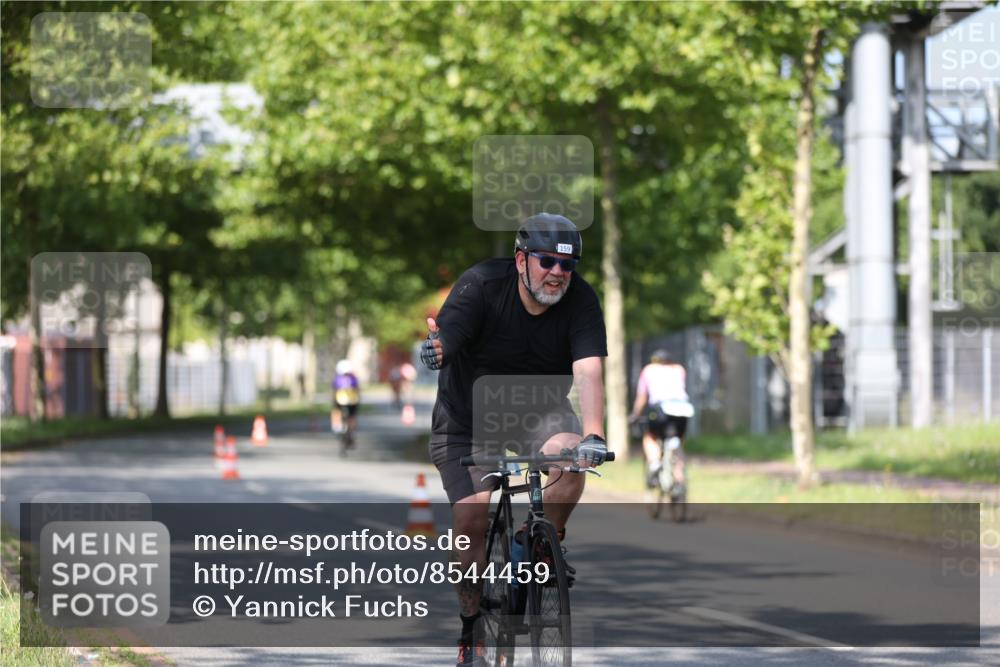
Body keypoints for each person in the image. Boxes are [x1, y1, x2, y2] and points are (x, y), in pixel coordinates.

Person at [420, 212, 609, 667]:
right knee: (472, 520)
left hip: (538, 413)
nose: (558, 273)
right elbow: (450, 335)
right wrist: (438, 348)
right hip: (468, 419)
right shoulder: (483, 284)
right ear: (522, 259)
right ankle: (471, 626)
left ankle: (541, 541)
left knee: (572, 459)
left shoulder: (581, 300)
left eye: (567, 265)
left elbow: (587, 368)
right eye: (547, 261)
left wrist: (595, 434)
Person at [628, 349, 693, 491]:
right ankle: (679, 482)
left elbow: (642, 397)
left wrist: (635, 415)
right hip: (683, 409)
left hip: (661, 409)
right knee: (677, 443)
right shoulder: (679, 369)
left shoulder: (649, 370)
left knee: (650, 436)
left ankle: (655, 464)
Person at [331, 359, 360, 447]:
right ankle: (351, 432)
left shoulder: (337, 379)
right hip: (353, 401)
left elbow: (334, 390)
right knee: (352, 416)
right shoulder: (353, 378)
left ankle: (337, 427)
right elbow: (358, 390)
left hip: (340, 401)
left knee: (336, 411)